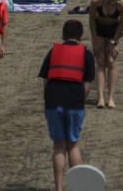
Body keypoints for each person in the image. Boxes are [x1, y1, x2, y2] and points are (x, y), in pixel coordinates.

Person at [39, 20, 95, 191]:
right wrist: (80, 101)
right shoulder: (86, 55)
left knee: (58, 146)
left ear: (63, 35)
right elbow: (87, 85)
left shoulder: (53, 51)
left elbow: (46, 81)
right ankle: (79, 187)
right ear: (81, 36)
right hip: (74, 103)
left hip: (54, 103)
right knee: (73, 144)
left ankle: (59, 188)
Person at [89, 0, 123, 109]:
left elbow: (122, 25)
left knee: (111, 61)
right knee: (100, 61)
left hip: (113, 31)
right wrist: (95, 41)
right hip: (99, 30)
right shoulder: (96, 0)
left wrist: (114, 42)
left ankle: (111, 98)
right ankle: (100, 97)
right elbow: (92, 21)